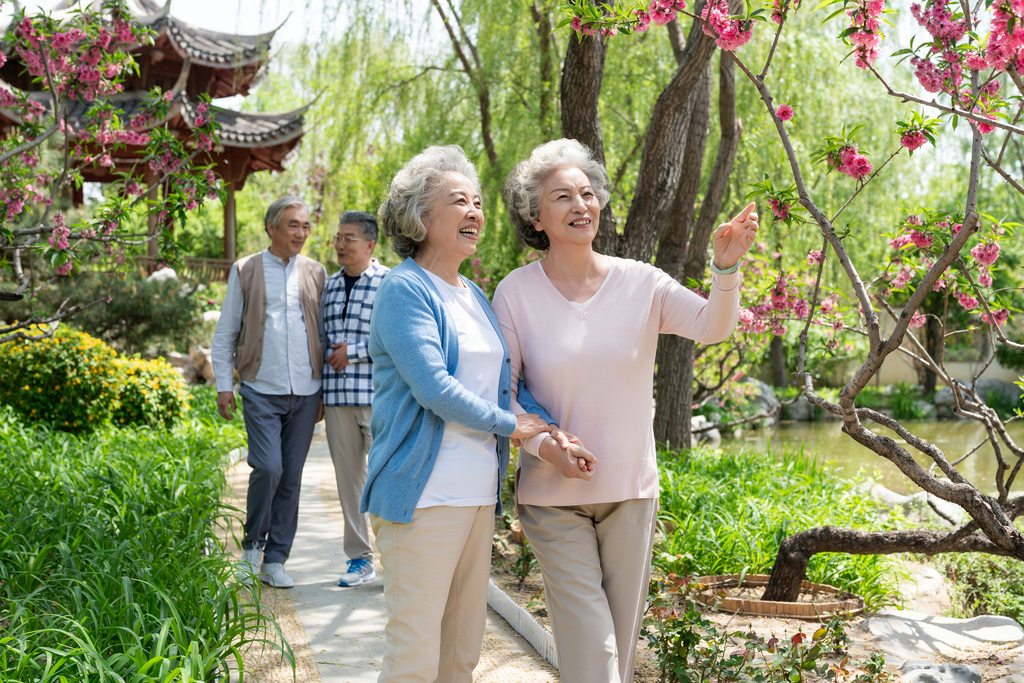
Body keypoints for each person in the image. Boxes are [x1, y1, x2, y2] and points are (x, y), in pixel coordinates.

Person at [491, 138, 758, 683]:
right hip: (551, 495)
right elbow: (504, 394)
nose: (579, 205)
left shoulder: (642, 281)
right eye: (561, 196)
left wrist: (725, 268)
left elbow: (712, 326)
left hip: (631, 493)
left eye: (587, 193)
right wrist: (547, 448)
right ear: (535, 216)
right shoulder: (514, 293)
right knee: (594, 651)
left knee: (621, 649)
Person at [362, 145, 559, 683]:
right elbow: (434, 388)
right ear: (422, 217)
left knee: (460, 654)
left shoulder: (472, 293)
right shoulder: (403, 289)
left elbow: (503, 386)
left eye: (477, 202)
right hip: (421, 496)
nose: (475, 211)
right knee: (414, 654)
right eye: (459, 202)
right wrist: (512, 427)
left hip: (475, 495)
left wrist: (544, 427)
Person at [212, 196, 326, 589]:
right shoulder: (245, 269)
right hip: (261, 387)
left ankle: (276, 558)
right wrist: (224, 385)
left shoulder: (316, 271)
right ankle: (250, 549)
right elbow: (226, 331)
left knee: (291, 475)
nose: (301, 232)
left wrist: (323, 389)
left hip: (306, 390)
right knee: (268, 467)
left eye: (306, 226)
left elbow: (324, 334)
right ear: (271, 228)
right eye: (293, 225)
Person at [319, 211, 390, 587]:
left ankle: (395, 560)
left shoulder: (389, 282)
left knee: (385, 479)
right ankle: (359, 560)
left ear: (369, 244)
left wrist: (356, 351)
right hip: (336, 397)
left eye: (349, 238)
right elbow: (322, 341)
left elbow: (396, 338)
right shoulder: (328, 285)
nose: (341, 245)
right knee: (348, 483)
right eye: (338, 237)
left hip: (379, 397)